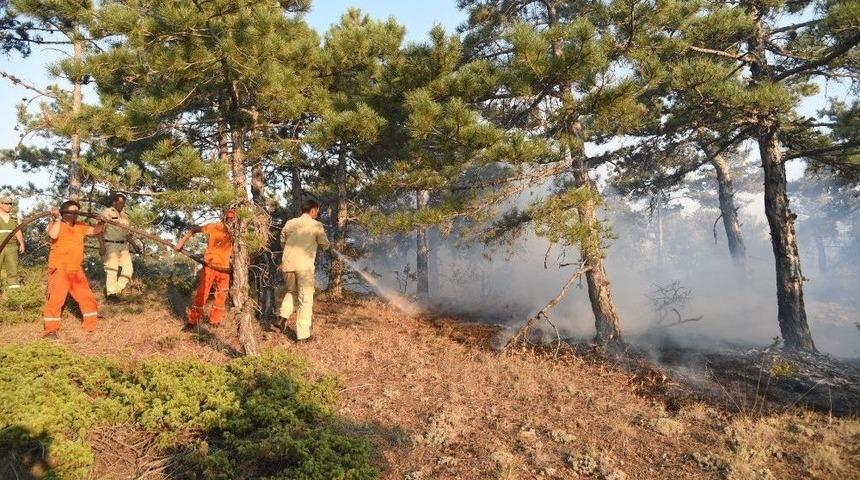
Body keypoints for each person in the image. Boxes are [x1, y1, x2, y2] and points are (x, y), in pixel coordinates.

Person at [43, 200, 105, 337]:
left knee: (86, 297)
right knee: (55, 300)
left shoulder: (80, 226)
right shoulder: (55, 224)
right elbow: (53, 235)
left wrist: (101, 222)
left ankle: (91, 325)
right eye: (71, 212)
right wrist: (57, 218)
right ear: (63, 212)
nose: (74, 215)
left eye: (76, 212)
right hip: (59, 269)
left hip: (76, 269)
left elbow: (95, 231)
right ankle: (50, 330)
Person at [279, 200, 330, 341]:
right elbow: (324, 244)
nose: (317, 213)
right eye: (317, 211)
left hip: (287, 264)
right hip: (304, 267)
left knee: (291, 292)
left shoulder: (290, 223)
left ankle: (283, 316)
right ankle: (303, 335)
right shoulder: (316, 225)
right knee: (305, 300)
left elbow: (282, 241)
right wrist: (327, 246)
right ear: (313, 210)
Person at [175, 209, 235, 328]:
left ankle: (215, 321)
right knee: (202, 293)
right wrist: (181, 243)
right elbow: (193, 229)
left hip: (225, 269)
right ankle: (192, 321)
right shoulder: (215, 227)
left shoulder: (237, 233)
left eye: (232, 218)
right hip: (210, 266)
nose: (230, 220)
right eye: (228, 218)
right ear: (224, 217)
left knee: (222, 295)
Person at [99, 194, 141, 298]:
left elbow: (126, 234)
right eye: (120, 202)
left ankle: (117, 289)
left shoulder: (125, 216)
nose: (122, 205)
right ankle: (111, 294)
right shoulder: (107, 212)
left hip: (123, 246)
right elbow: (99, 230)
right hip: (110, 244)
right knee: (112, 269)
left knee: (129, 270)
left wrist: (134, 245)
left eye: (123, 203)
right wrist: (101, 245)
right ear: (114, 202)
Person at [0, 194, 25, 290]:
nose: (9, 205)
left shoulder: (14, 218)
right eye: (6, 203)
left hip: (12, 247)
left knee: (13, 269)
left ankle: (14, 292)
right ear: (1, 204)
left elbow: (18, 231)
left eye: (10, 203)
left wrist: (21, 243)